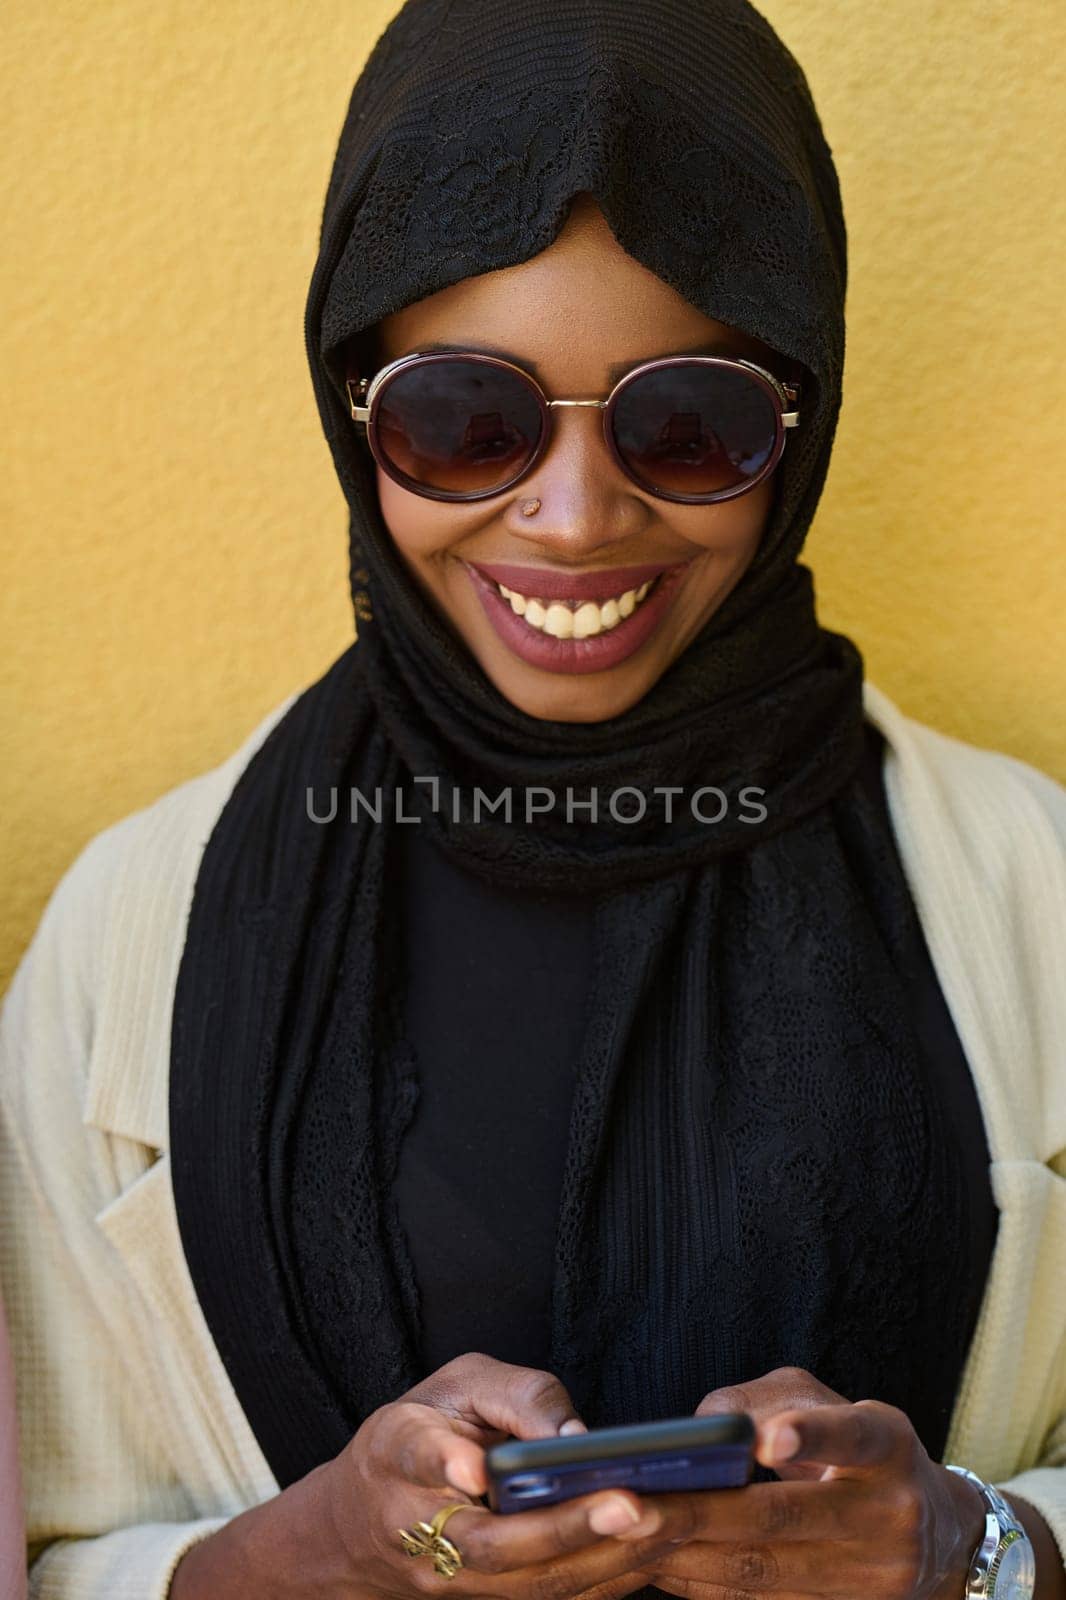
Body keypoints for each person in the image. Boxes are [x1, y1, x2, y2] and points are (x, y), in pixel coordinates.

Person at [1, 1, 1064, 1597]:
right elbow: (54, 1548)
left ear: (801, 418)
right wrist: (319, 1561)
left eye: (686, 424)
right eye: (465, 421)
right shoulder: (133, 929)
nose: (571, 518)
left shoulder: (1031, 883)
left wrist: (967, 1544)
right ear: (353, 411)